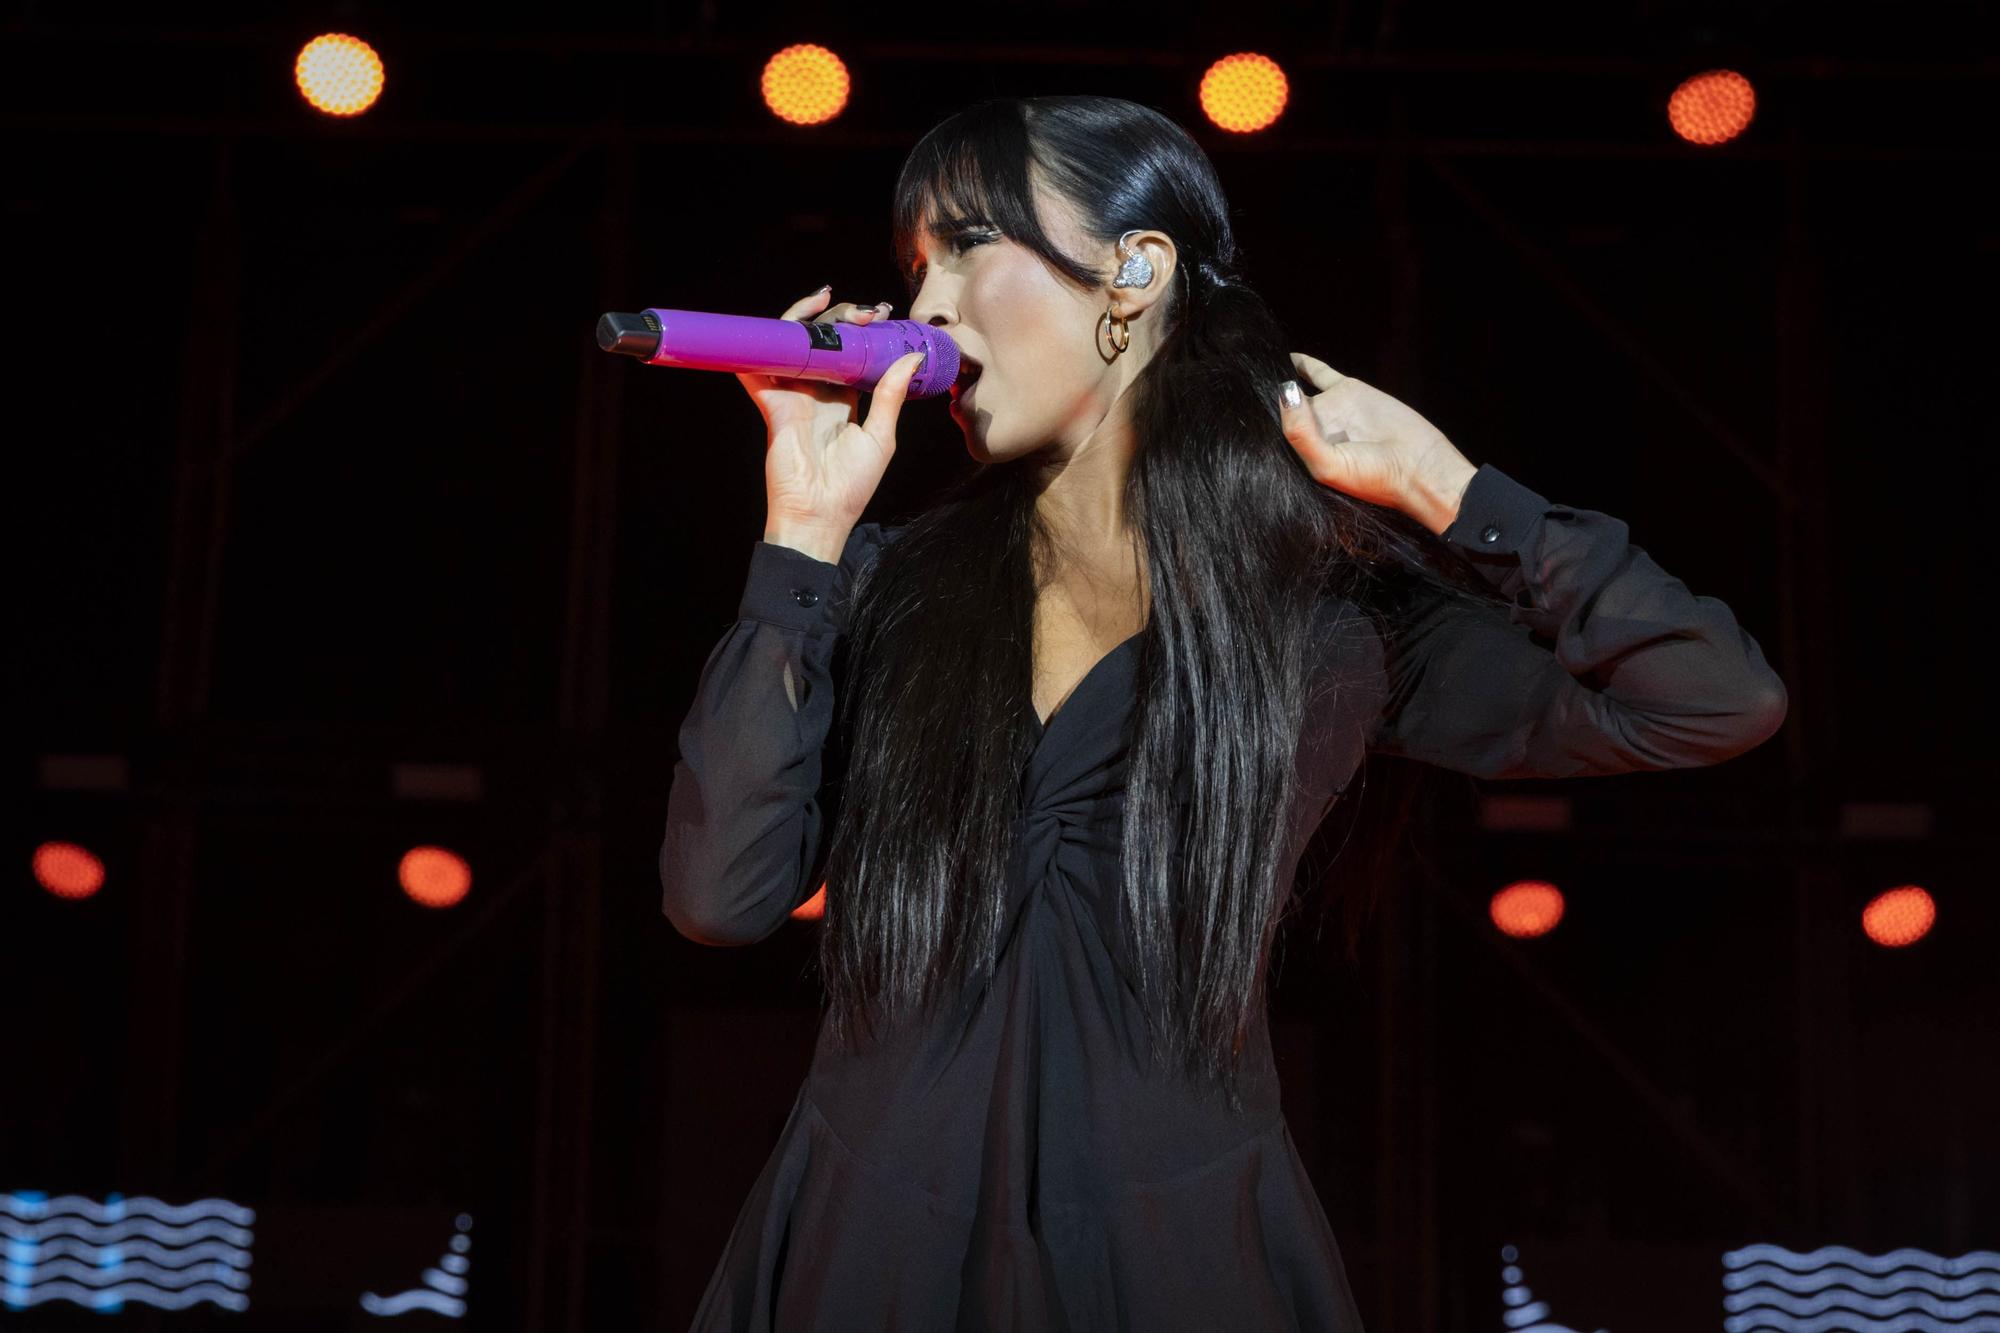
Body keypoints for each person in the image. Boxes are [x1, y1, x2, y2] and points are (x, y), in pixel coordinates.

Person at [659, 94, 1787, 1332]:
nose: (926, 308)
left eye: (969, 247)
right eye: (914, 269)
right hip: (867, 1242)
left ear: (1129, 276)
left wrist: (1447, 487)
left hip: (1174, 1252)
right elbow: (721, 897)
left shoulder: (1320, 616)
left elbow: (1710, 697)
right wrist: (801, 536)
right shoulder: (885, 587)